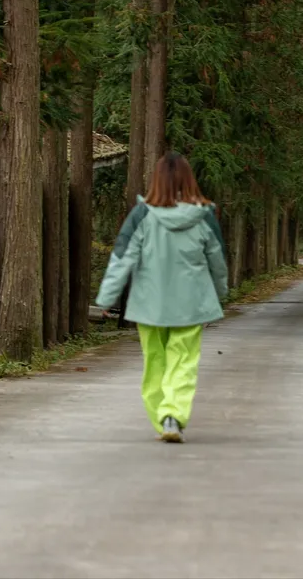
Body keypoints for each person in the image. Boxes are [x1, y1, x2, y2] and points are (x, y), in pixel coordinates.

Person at [96, 152, 228, 443]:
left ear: (157, 180)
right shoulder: (204, 215)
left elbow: (122, 258)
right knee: (183, 361)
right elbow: (217, 259)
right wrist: (221, 293)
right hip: (191, 304)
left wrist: (106, 299)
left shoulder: (142, 215)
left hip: (149, 304)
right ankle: (174, 414)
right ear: (189, 180)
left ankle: (162, 419)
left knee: (154, 360)